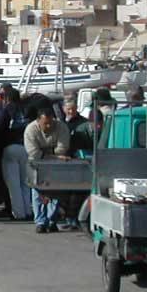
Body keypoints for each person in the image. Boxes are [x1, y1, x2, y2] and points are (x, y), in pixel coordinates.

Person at [24, 107, 70, 233]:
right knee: (37, 191)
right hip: (37, 165)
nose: (49, 125)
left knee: (56, 192)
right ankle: (40, 221)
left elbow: (62, 148)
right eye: (45, 123)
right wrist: (53, 154)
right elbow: (34, 153)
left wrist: (45, 153)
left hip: (56, 165)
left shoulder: (61, 127)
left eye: (51, 122)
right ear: (38, 121)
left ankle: (51, 220)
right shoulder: (30, 130)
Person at [0, 88, 33, 221]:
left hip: (11, 147)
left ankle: (19, 213)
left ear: (7, 98)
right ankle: (28, 210)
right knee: (26, 182)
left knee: (13, 184)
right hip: (27, 147)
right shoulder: (27, 109)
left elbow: (1, 127)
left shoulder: (8, 109)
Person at [61, 96, 91, 231]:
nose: (71, 111)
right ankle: (69, 218)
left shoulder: (82, 123)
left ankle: (75, 219)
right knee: (66, 192)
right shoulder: (61, 122)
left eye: (73, 109)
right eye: (68, 109)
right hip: (65, 159)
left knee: (77, 192)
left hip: (78, 159)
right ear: (63, 109)